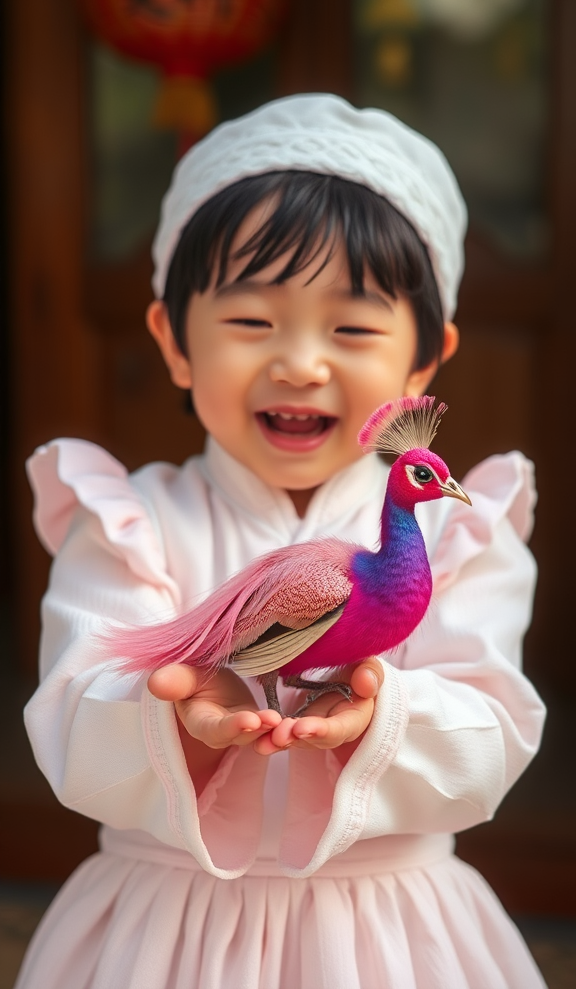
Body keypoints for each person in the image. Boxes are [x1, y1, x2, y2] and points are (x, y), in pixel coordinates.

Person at [17, 95, 547, 989]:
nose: (300, 362)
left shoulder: (462, 532)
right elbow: (74, 716)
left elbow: (491, 738)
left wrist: (380, 719)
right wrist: (180, 720)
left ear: (424, 361)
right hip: (162, 937)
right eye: (253, 322)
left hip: (392, 934)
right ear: (173, 341)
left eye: (351, 328)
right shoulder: (125, 522)